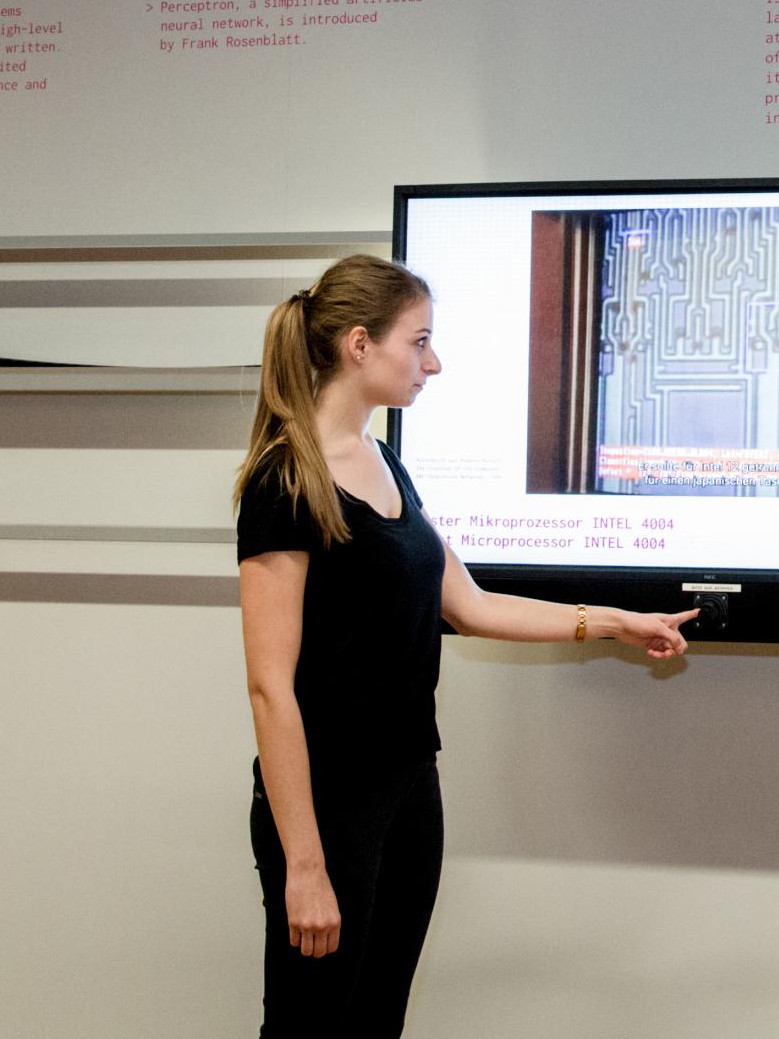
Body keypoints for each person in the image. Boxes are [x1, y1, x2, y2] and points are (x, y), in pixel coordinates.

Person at [234, 254, 695, 1037]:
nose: (432, 363)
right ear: (357, 346)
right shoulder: (286, 484)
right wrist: (304, 866)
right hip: (328, 807)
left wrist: (616, 620)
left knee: (376, 1022)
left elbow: (471, 605)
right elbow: (270, 690)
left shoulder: (387, 464)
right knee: (311, 1029)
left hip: (411, 787)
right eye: (418, 342)